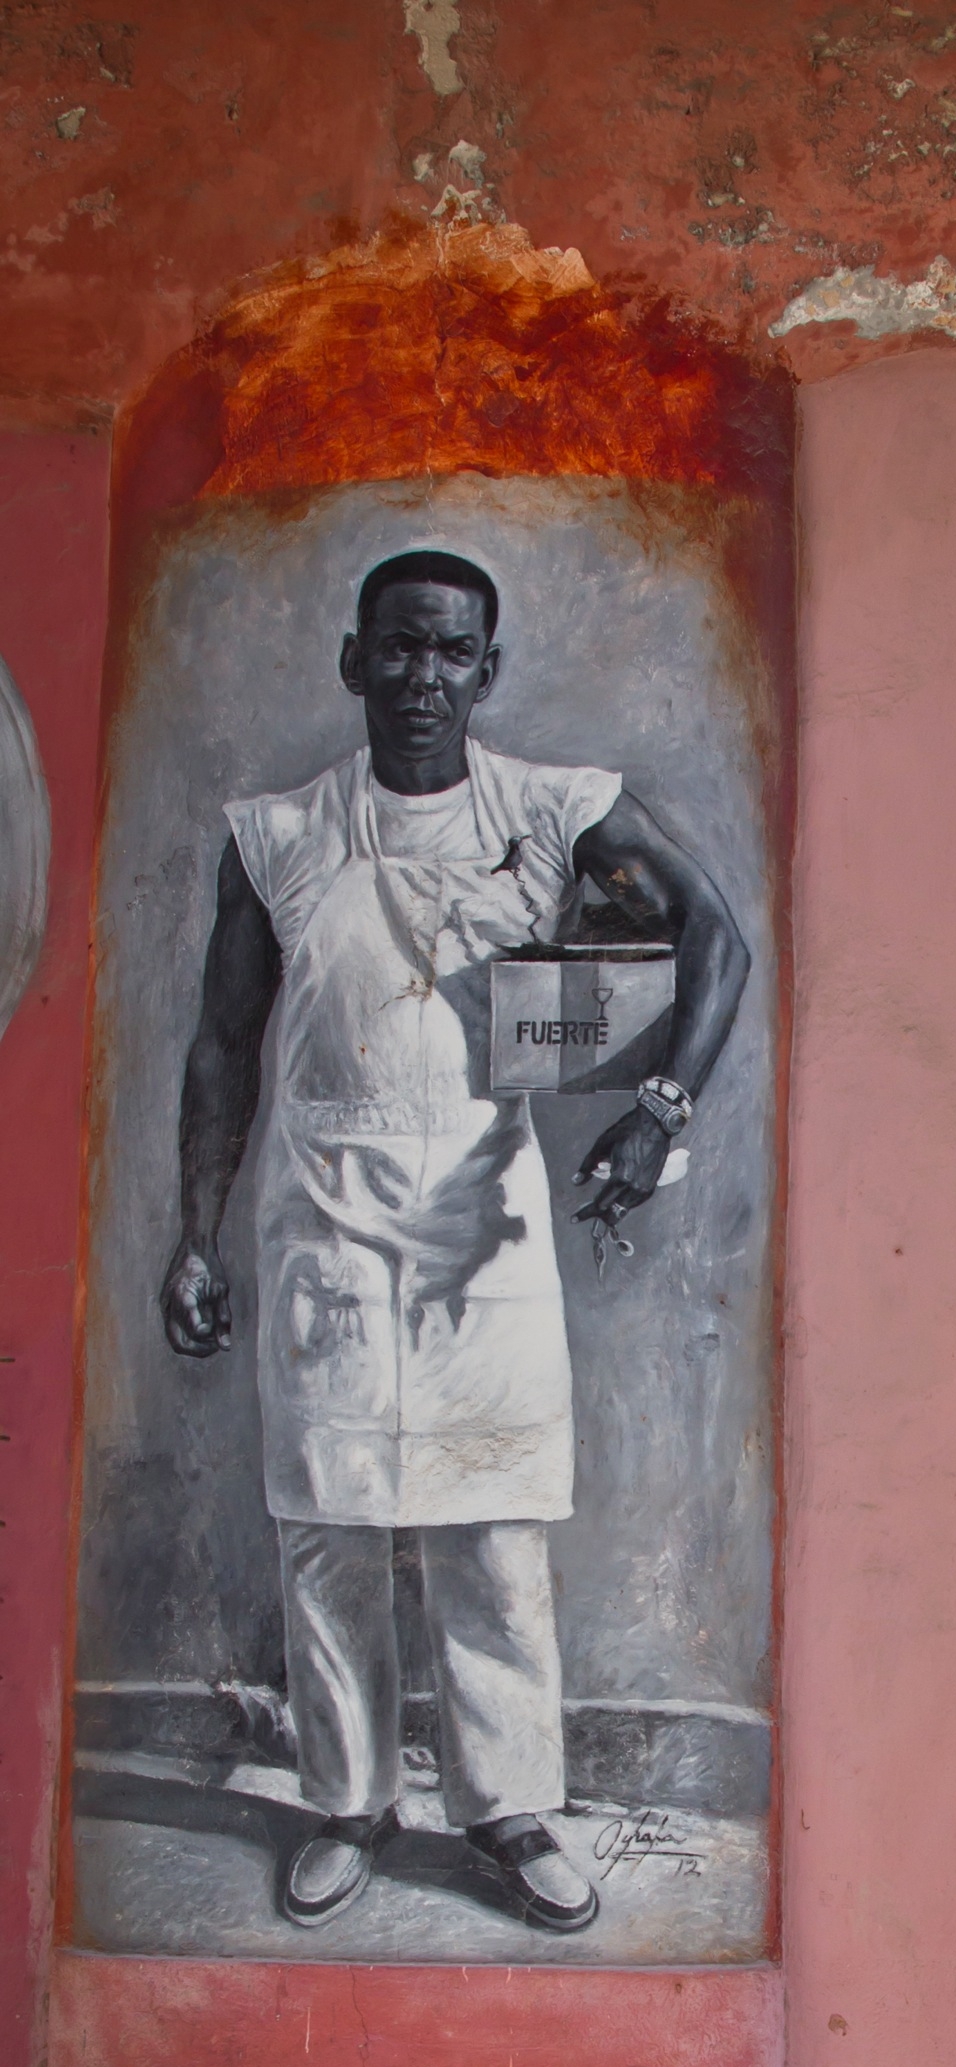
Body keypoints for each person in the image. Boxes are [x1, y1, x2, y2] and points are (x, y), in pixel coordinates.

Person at [159, 548, 748, 1934]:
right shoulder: (280, 836)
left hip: (482, 1213)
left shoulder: (555, 811)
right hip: (323, 1214)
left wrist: (660, 1113)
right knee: (330, 1531)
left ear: (486, 671)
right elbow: (221, 1047)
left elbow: (713, 936)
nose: (423, 675)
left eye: (451, 653)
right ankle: (346, 1802)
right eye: (399, 647)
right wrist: (197, 1238)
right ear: (354, 659)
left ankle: (508, 1811)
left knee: (490, 1532)